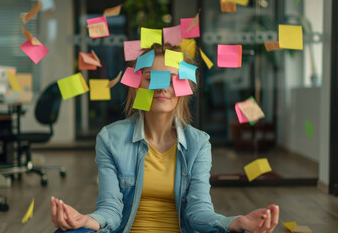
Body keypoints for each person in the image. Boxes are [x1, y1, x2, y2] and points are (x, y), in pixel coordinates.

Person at [50, 43, 279, 233]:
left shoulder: (198, 143)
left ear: (185, 87)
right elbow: (110, 208)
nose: (162, 88)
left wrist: (234, 222)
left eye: (172, 79)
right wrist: (86, 220)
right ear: (136, 85)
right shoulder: (111, 138)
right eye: (152, 79)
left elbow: (199, 212)